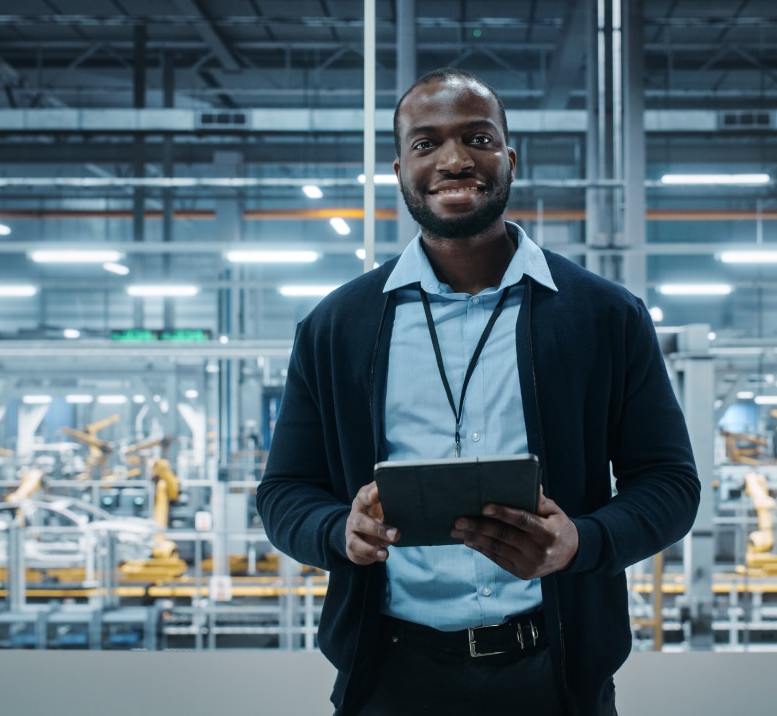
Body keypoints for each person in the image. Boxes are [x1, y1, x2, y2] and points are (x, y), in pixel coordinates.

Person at [256, 67, 701, 716]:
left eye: (478, 138)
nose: (455, 160)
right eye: (426, 143)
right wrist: (336, 532)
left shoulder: (604, 315)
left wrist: (582, 542)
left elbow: (669, 483)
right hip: (390, 677)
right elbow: (284, 491)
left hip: (555, 676)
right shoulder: (338, 326)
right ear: (399, 169)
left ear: (510, 159)